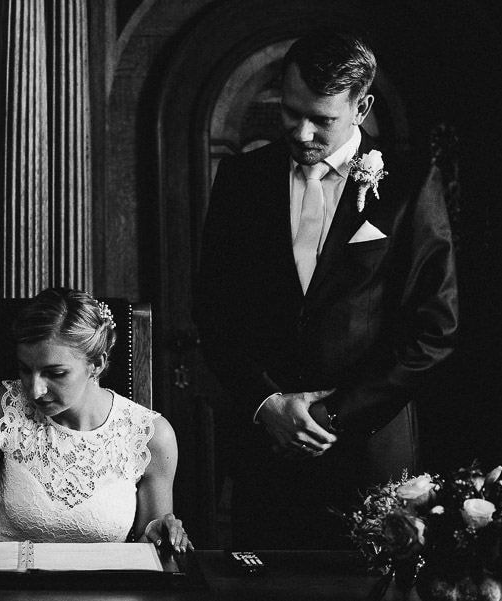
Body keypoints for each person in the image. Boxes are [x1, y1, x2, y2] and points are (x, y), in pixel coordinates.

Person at [194, 31, 458, 548]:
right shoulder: (242, 178)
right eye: (291, 112)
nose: (302, 130)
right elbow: (214, 310)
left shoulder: (409, 181)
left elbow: (435, 327)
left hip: (371, 452)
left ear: (363, 107)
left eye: (323, 118)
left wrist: (331, 416)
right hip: (264, 451)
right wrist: (265, 404)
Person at [0, 287, 194, 555]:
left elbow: (151, 542)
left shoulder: (151, 435)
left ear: (96, 364)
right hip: (13, 587)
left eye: (55, 373)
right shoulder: (6, 407)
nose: (35, 389)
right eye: (26, 370)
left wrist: (161, 533)